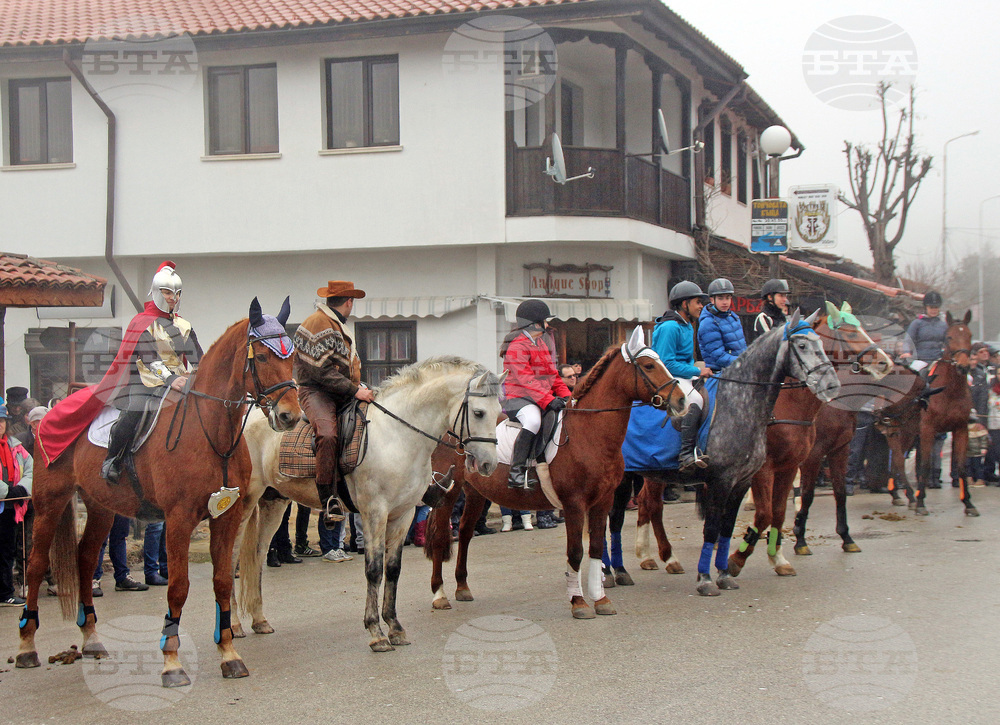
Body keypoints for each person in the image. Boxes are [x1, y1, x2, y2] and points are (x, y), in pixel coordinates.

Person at [101, 261, 201, 484]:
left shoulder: (184, 325)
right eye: (166, 292)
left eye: (176, 293)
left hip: (181, 380)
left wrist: (201, 375)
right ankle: (113, 459)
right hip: (144, 381)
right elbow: (149, 358)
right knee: (133, 413)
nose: (172, 298)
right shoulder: (142, 322)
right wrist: (171, 379)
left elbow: (197, 357)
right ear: (156, 292)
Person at [293, 281, 375, 526]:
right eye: (352, 302)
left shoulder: (335, 323)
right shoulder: (319, 322)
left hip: (339, 391)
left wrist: (357, 387)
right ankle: (328, 499)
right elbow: (321, 372)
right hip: (316, 391)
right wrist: (354, 390)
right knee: (327, 435)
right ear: (348, 301)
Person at [500, 299, 572, 490]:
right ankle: (516, 470)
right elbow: (526, 380)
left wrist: (567, 397)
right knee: (533, 421)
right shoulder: (517, 347)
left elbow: (553, 376)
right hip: (519, 399)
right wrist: (549, 400)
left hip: (538, 397)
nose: (548, 325)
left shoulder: (540, 343)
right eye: (545, 321)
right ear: (534, 323)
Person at [653, 281, 712, 473]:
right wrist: (697, 371)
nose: (701, 306)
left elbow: (686, 361)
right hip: (666, 378)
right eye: (698, 302)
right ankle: (686, 455)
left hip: (682, 376)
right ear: (684, 304)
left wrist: (699, 370)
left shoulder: (687, 326)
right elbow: (665, 363)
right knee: (694, 399)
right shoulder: (670, 327)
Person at [0, 401, 33, 606]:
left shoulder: (15, 446)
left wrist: (22, 488)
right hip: (6, 499)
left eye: (2, 421)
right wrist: (7, 491)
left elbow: (30, 468)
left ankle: (5, 592)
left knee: (7, 552)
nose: (0, 425)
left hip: (11, 507)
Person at [698, 277, 747, 373]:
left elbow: (742, 347)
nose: (725, 302)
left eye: (727, 298)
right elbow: (719, 357)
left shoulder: (733, 317)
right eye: (720, 298)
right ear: (712, 300)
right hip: (719, 373)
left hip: (738, 368)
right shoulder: (708, 323)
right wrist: (743, 362)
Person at [92, 514, 147, 595]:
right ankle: (93, 579)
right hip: (104, 503)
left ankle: (122, 577)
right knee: (101, 535)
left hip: (121, 503)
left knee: (120, 535)